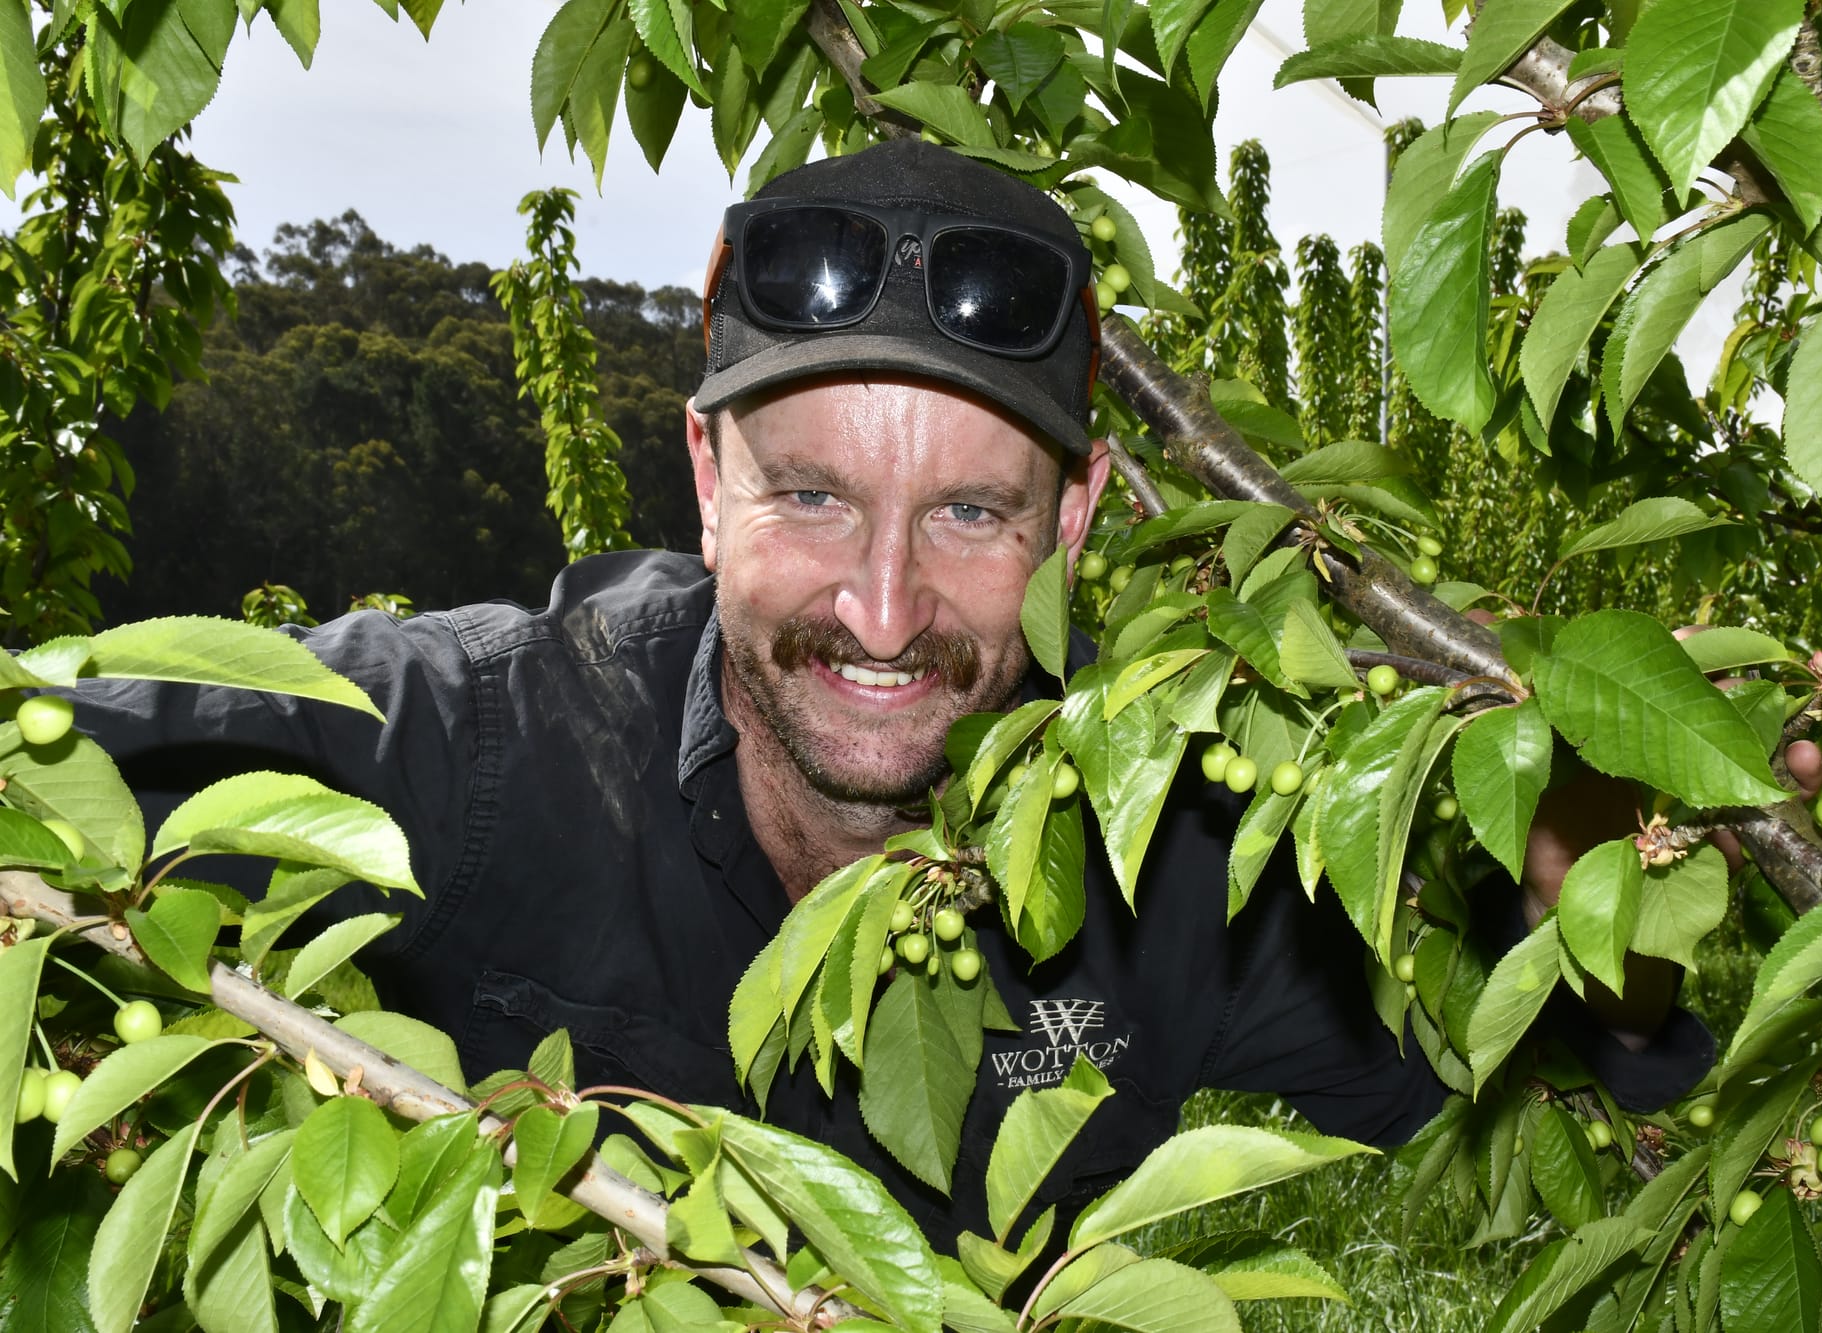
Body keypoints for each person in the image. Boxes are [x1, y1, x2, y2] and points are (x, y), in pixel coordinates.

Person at [75, 138, 1714, 1248]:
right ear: (705, 475)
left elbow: (1564, 1068)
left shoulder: (1178, 853)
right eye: (812, 496)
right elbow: (66, 759)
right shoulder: (481, 744)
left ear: (1073, 525)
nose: (881, 609)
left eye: (973, 514)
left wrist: (1596, 878)